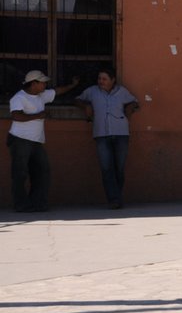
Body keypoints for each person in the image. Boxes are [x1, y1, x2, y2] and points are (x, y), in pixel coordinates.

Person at [7, 70, 78, 212]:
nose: (45, 84)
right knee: (20, 173)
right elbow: (16, 116)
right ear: (34, 83)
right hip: (20, 140)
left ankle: (38, 203)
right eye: (43, 82)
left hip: (36, 141)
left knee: (42, 171)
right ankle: (21, 205)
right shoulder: (19, 98)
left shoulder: (40, 96)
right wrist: (38, 115)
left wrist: (73, 85)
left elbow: (56, 91)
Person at [75, 67, 140, 209]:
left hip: (121, 133)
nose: (101, 82)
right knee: (106, 168)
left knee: (119, 168)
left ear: (112, 80)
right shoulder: (92, 91)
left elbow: (134, 101)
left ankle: (117, 196)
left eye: (104, 79)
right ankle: (114, 199)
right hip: (101, 134)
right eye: (99, 79)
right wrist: (86, 106)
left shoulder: (122, 92)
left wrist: (130, 108)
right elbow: (78, 99)